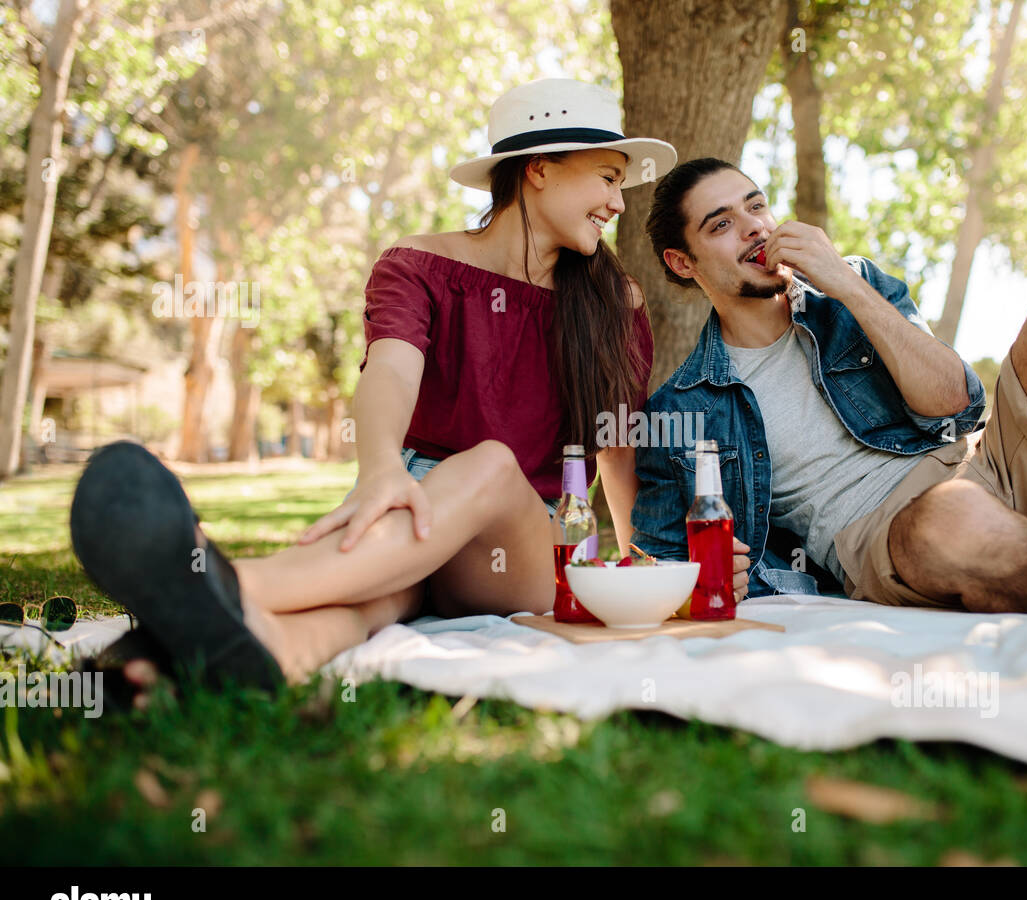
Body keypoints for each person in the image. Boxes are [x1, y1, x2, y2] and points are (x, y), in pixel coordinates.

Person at [70, 78, 676, 709]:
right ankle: (197, 659)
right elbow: (390, 367)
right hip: (415, 511)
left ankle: (218, 581)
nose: (619, 203)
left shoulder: (616, 302)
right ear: (541, 169)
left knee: (492, 465)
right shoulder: (417, 264)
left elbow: (616, 449)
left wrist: (639, 566)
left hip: (525, 550)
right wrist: (383, 468)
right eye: (608, 177)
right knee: (368, 604)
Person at [630, 157, 1027, 613]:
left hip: (984, 463)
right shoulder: (684, 406)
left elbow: (957, 403)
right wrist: (716, 576)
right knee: (951, 517)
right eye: (722, 225)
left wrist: (845, 284)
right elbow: (659, 553)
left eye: (756, 206)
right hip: (891, 536)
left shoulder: (853, 286)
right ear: (683, 262)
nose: (755, 229)